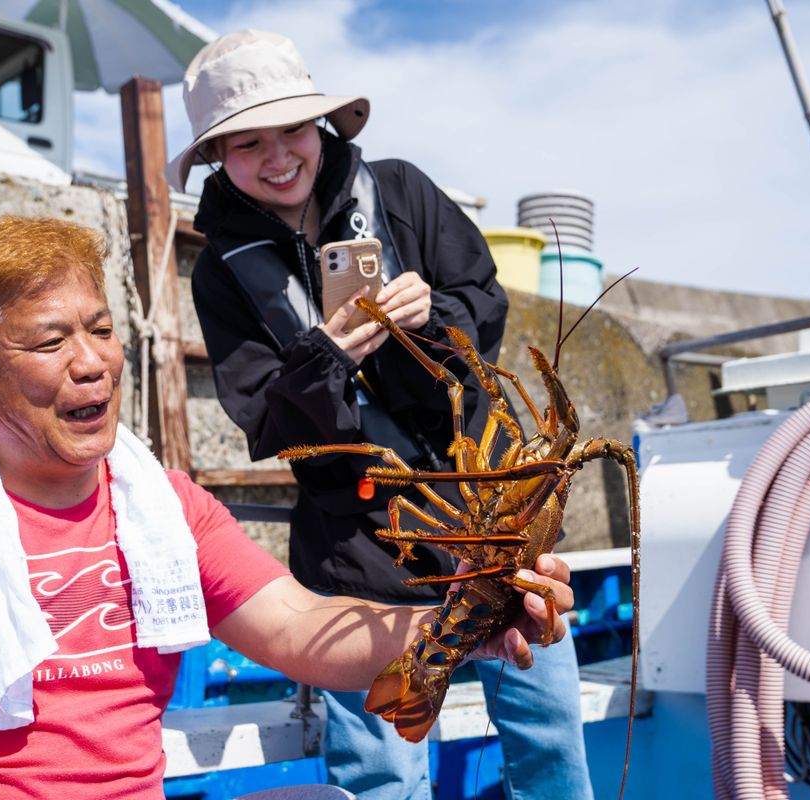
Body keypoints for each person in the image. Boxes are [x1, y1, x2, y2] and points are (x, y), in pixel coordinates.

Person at [0, 215, 571, 800]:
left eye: (103, 330)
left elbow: (295, 627)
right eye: (49, 344)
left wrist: (473, 626)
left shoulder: (162, 505)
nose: (94, 365)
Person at [170, 30, 594, 800]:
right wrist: (324, 354)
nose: (277, 157)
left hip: (490, 518)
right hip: (356, 554)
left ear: (322, 124)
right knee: (381, 775)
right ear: (216, 156)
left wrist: (430, 316)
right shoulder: (220, 272)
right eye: (246, 142)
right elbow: (264, 423)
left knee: (552, 737)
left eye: (292, 129)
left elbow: (485, 309)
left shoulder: (400, 190)